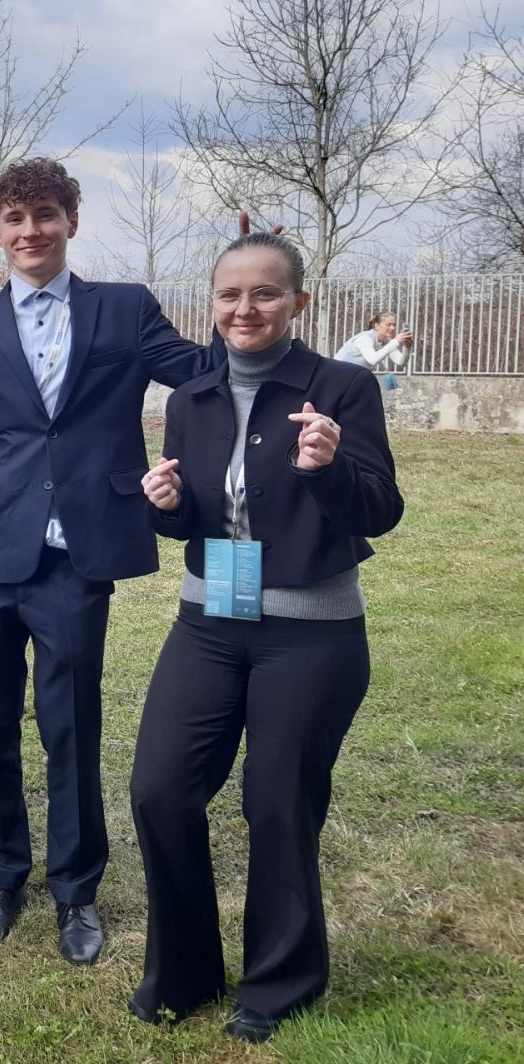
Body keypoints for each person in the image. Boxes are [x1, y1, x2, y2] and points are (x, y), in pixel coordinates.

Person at [0, 158, 229, 965]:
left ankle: (75, 891)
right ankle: (0, 877)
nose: (31, 231)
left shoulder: (123, 309)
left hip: (77, 556)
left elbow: (202, 373)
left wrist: (243, 317)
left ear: (71, 223)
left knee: (71, 728)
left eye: (45, 215)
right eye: (15, 220)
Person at [130, 232, 403, 1042]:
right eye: (229, 294)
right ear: (211, 303)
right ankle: (185, 971)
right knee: (160, 789)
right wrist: (166, 504)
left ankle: (281, 983)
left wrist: (330, 465)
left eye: (264, 293)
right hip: (208, 622)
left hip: (310, 632)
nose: (244, 309)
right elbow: (194, 516)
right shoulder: (190, 398)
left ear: (298, 302)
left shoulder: (342, 388)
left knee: (278, 801)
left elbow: (381, 508)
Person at [335, 311, 413, 389]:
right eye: (388, 324)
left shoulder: (387, 341)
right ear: (377, 326)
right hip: (338, 375)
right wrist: (396, 341)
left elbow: (400, 362)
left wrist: (407, 347)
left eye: (394, 325)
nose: (393, 328)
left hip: (355, 377)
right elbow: (372, 360)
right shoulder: (364, 338)